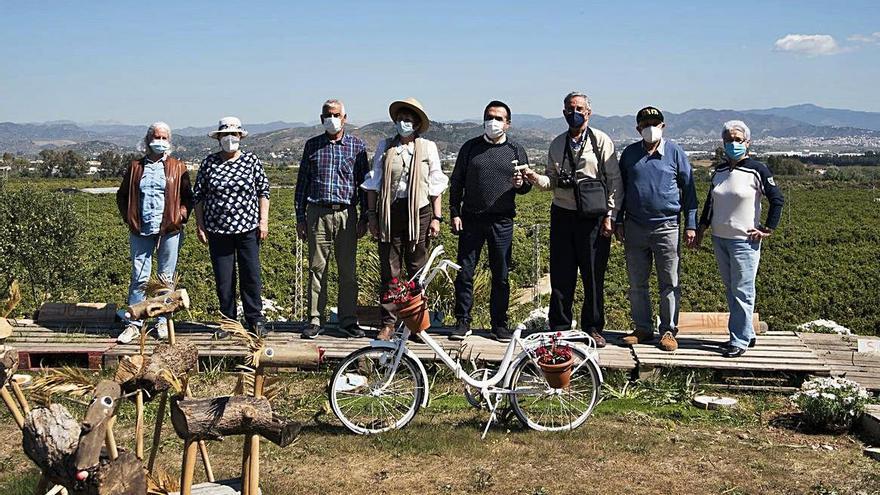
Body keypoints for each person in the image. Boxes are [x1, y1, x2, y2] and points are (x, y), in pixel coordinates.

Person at [523, 91, 623, 348]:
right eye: (570, 108)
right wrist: (535, 179)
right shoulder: (557, 144)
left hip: (593, 216)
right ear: (564, 112)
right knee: (561, 273)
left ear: (589, 112)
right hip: (563, 214)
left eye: (579, 108)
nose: (574, 113)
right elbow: (551, 181)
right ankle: (559, 327)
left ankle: (593, 327)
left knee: (592, 275)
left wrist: (611, 216)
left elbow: (614, 181)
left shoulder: (601, 141)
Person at [696, 120, 784, 358]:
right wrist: (702, 227)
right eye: (729, 140)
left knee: (743, 290)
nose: (733, 144)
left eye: (738, 139)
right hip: (719, 238)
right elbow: (710, 203)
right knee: (731, 289)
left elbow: (777, 200)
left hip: (744, 241)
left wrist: (767, 228)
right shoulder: (720, 171)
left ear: (747, 142)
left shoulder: (757, 169)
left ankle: (739, 340)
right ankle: (746, 333)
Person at [362, 98, 448, 341]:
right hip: (389, 212)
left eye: (408, 120)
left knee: (416, 268)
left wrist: (436, 218)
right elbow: (374, 182)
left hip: (419, 212)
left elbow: (435, 184)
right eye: (400, 119)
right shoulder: (385, 147)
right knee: (390, 269)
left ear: (417, 124)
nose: (403, 123)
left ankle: (416, 324)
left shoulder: (427, 148)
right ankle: (388, 323)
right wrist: (372, 216)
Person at [616, 107, 698, 352]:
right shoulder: (629, 154)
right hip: (635, 226)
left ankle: (668, 331)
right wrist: (618, 220)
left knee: (669, 282)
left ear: (663, 126)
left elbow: (689, 189)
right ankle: (642, 328)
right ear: (638, 128)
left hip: (667, 226)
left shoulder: (675, 153)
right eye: (645, 123)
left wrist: (691, 223)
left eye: (655, 122)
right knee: (636, 282)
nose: (651, 127)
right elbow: (620, 190)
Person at [449, 100, 531, 342]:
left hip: (502, 221)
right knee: (465, 272)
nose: (492, 122)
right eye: (489, 117)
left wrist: (522, 185)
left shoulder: (516, 150)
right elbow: (457, 182)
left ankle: (499, 324)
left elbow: (525, 186)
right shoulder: (470, 148)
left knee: (501, 274)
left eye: (498, 118)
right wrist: (454, 212)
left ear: (507, 124)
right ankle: (462, 321)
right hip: (471, 219)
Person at [295, 99, 370, 339]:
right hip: (317, 213)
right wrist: (300, 218)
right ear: (321, 118)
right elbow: (302, 185)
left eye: (336, 114)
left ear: (345, 117)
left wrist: (365, 217)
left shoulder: (357, 147)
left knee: (347, 271)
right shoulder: (312, 146)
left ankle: (348, 320)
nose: (332, 118)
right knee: (317, 269)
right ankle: (315, 319)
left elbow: (365, 185)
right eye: (327, 115)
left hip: (347, 214)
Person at [115, 122, 193, 344]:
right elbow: (122, 196)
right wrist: (128, 218)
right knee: (139, 276)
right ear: (148, 139)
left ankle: (162, 322)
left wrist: (181, 217)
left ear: (169, 142)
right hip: (141, 229)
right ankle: (134, 323)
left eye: (164, 138)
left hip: (169, 229)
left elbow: (188, 197)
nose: (160, 141)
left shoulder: (178, 167)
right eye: (156, 137)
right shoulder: (135, 167)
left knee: (165, 278)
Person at [193, 117, 270, 338]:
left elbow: (263, 192)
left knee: (251, 276)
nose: (229, 139)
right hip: (218, 232)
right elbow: (199, 196)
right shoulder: (209, 163)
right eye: (225, 135)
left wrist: (263, 221)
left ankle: (255, 319)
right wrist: (200, 225)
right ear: (218, 138)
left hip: (248, 229)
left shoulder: (252, 161)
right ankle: (228, 322)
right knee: (224, 279)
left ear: (240, 137)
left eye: (234, 135)